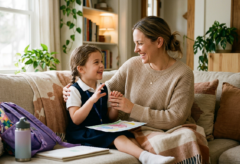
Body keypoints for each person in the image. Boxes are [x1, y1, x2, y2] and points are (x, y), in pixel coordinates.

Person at [63, 16, 202, 163]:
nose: (136, 49)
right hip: (131, 129)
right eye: (135, 44)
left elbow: (175, 118)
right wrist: (72, 89)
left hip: (168, 129)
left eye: (140, 43)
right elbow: (103, 90)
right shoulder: (132, 65)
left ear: (159, 42)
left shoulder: (183, 74)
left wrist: (132, 108)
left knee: (185, 137)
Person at [65, 44, 175, 164]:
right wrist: (92, 100)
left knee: (126, 134)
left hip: (100, 129)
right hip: (82, 133)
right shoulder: (73, 90)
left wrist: (114, 106)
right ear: (81, 69)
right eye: (96, 62)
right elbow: (76, 119)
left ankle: (146, 157)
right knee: (116, 137)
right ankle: (147, 158)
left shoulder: (104, 88)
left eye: (101, 61)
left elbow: (110, 118)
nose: (102, 65)